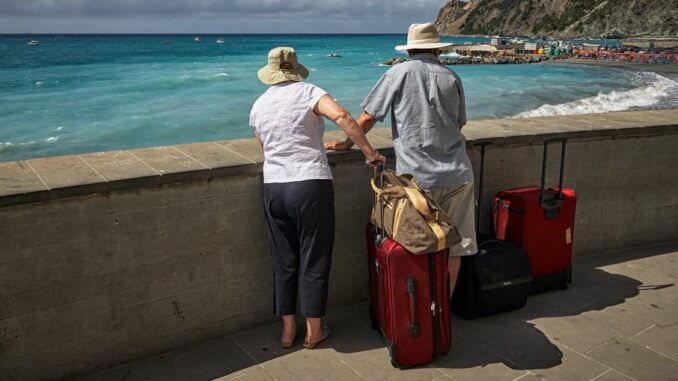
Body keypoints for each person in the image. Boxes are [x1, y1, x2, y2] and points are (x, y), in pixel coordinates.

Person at [326, 23, 477, 298]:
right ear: (436, 49)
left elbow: (369, 116)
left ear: (409, 49)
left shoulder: (398, 73)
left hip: (417, 180)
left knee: (416, 245)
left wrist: (347, 143)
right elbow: (460, 123)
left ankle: (419, 312)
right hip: (458, 173)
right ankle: (442, 309)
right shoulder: (451, 76)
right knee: (457, 246)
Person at [250, 47, 386, 350]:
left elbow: (265, 145)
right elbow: (343, 116)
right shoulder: (308, 91)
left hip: (274, 186)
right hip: (310, 184)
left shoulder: (259, 105)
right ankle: (313, 330)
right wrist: (370, 154)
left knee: (284, 259)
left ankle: (287, 331)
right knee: (314, 256)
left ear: (271, 73)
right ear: (295, 69)